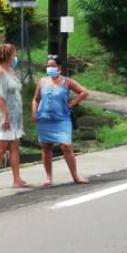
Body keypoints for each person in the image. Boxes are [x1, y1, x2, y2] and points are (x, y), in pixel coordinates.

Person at [32, 56, 89, 186]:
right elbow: (36, 99)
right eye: (48, 66)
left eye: (52, 66)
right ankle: (48, 177)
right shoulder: (42, 81)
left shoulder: (67, 82)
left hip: (62, 119)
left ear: (59, 67)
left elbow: (84, 92)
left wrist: (71, 104)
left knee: (66, 146)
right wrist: (34, 112)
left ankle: (75, 176)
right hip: (44, 119)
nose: (50, 68)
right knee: (46, 148)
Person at [0, 43, 29, 189]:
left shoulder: (10, 71)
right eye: (14, 54)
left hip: (15, 116)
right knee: (1, 148)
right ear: (8, 56)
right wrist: (5, 116)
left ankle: (17, 179)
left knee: (14, 146)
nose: (15, 57)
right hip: (4, 115)